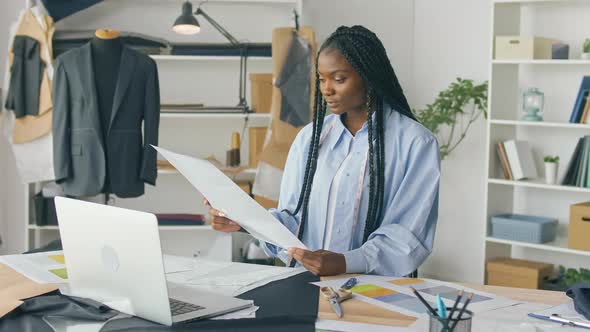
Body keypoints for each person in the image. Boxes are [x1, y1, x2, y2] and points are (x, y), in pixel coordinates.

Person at [206, 25, 440, 276]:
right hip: (308, 286)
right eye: (321, 78)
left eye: (339, 79)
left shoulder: (416, 144)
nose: (327, 89)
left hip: (377, 292)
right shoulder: (309, 139)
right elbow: (293, 220)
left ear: (369, 76)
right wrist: (244, 221)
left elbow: (407, 236)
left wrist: (345, 262)